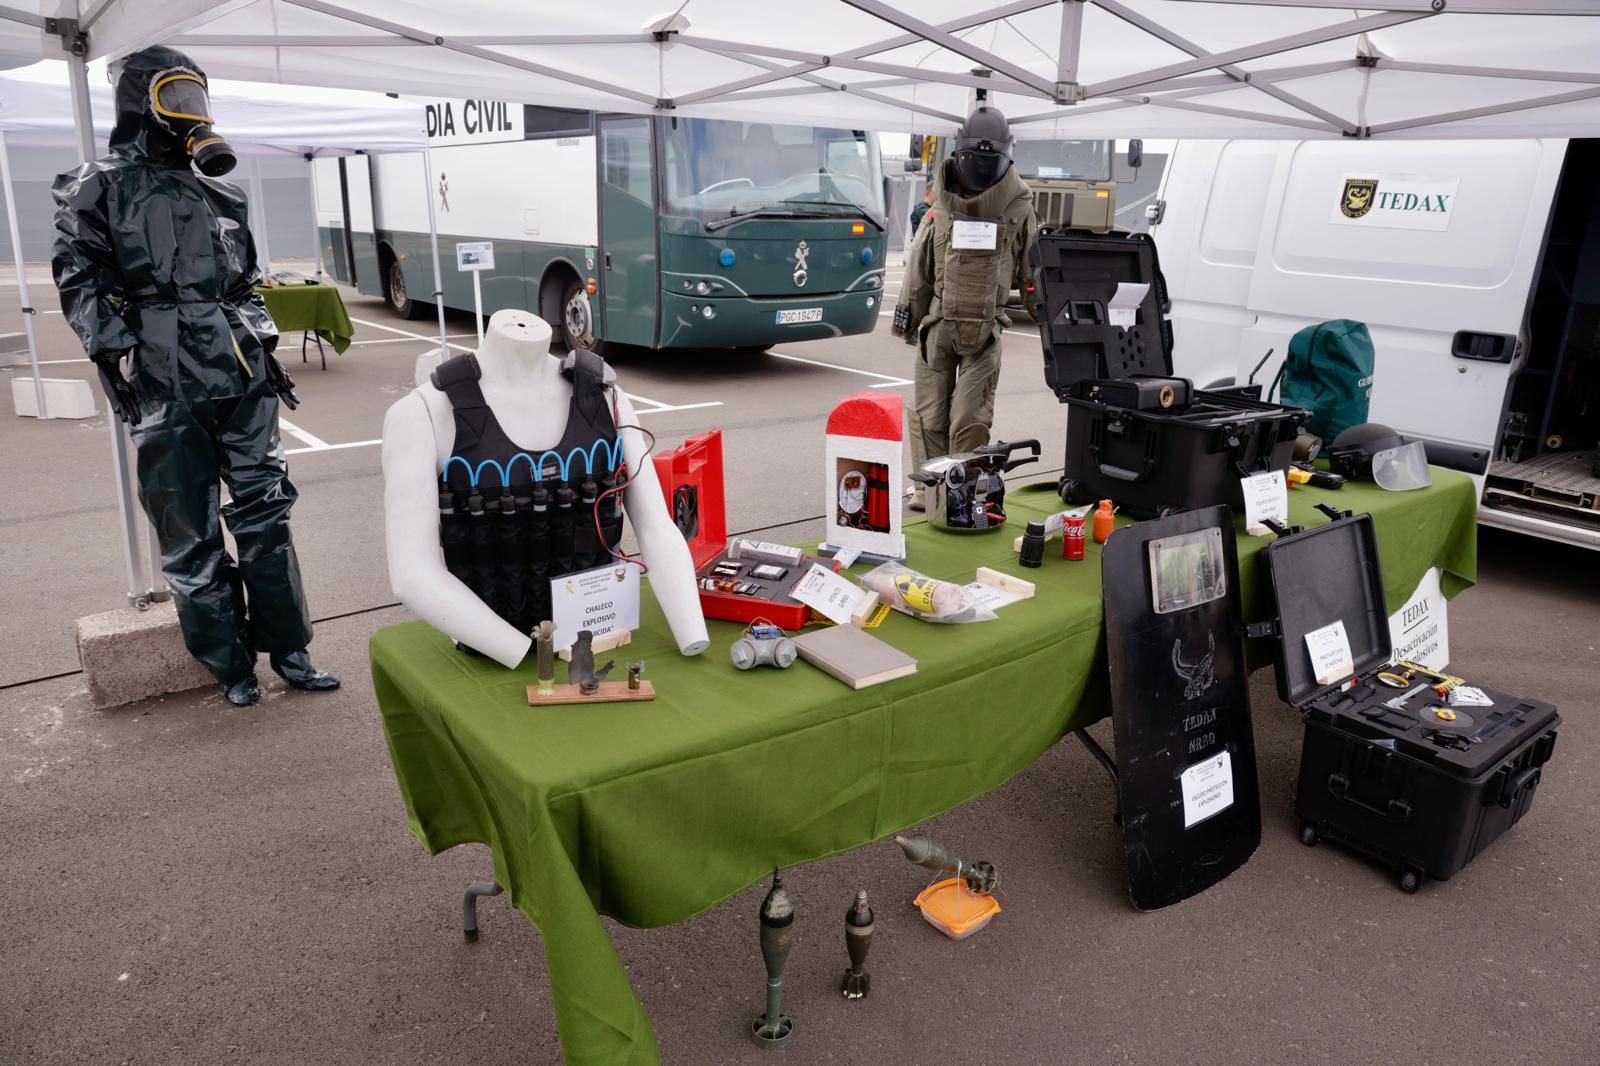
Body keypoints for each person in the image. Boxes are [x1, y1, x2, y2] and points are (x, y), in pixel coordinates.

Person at [52, 45, 339, 707]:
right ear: (140, 101)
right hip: (163, 372)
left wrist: (262, 347)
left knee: (268, 513)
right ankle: (229, 663)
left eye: (195, 96)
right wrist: (110, 351)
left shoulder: (223, 191)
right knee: (188, 525)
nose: (189, 112)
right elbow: (79, 277)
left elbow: (245, 285)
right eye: (172, 96)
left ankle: (290, 649)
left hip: (239, 370)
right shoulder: (96, 184)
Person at [892, 106, 1037, 509]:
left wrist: (1048, 316)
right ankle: (934, 490)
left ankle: (957, 490)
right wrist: (908, 319)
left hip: (980, 328)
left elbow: (1033, 270)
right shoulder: (943, 205)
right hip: (942, 323)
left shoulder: (1017, 206)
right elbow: (922, 265)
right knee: (934, 416)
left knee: (966, 418)